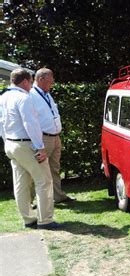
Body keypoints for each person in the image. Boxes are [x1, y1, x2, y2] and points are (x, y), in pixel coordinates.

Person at [0, 68, 61, 230]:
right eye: (30, 82)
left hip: (11, 144)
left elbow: (1, 123)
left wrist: (6, 141)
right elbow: (30, 124)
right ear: (26, 81)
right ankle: (45, 220)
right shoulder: (24, 98)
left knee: (20, 183)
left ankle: (28, 219)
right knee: (44, 181)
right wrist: (40, 147)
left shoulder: (3, 97)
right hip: (26, 144)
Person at [30, 68, 74, 203]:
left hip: (55, 137)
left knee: (55, 168)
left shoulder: (46, 94)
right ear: (40, 79)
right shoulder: (31, 95)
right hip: (43, 138)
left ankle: (58, 196)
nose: (52, 84)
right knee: (37, 170)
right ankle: (31, 200)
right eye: (49, 81)